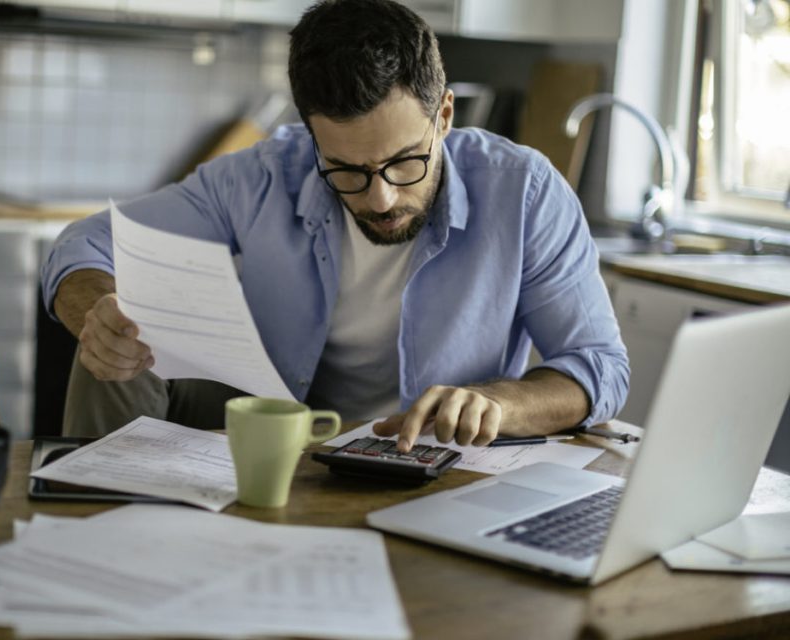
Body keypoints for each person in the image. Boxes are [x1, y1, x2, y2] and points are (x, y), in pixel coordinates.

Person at [41, 0, 629, 451]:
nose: (380, 197)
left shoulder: (524, 190)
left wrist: (495, 404)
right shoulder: (265, 174)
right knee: (117, 326)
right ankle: (99, 534)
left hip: (424, 454)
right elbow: (84, 241)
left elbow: (598, 366)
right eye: (345, 169)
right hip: (271, 425)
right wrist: (99, 309)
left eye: (405, 161)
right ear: (311, 136)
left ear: (444, 115)